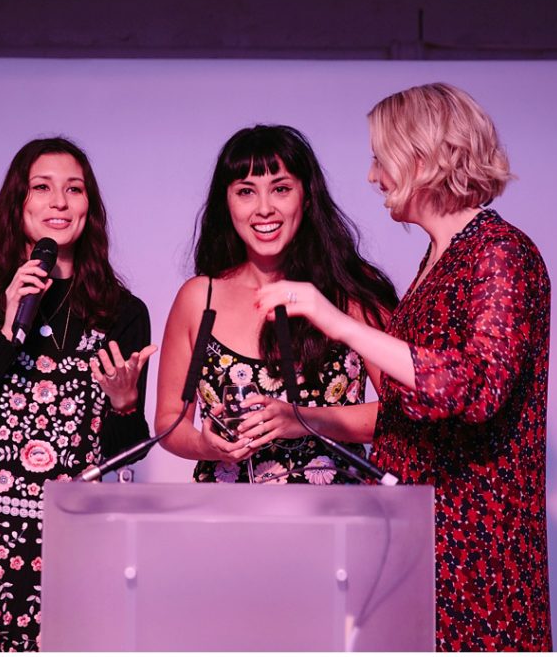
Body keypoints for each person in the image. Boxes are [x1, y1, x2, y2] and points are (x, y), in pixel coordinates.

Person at [254, 83, 552, 650]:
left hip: (476, 549)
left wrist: (338, 322)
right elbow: (407, 405)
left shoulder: (499, 252)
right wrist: (303, 418)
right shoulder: (440, 260)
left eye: (380, 157)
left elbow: (478, 386)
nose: (372, 176)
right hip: (423, 531)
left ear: (423, 157)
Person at [0, 138, 156, 651]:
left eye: (74, 189)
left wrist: (125, 405)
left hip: (71, 541)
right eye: (42, 188)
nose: (59, 203)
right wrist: (6, 331)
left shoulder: (123, 313)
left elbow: (125, 457)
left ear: (90, 207)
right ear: (17, 203)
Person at [155, 124, 398, 485]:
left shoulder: (355, 290)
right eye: (246, 192)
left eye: (281, 189)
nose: (264, 208)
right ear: (227, 203)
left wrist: (303, 419)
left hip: (335, 523)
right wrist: (208, 446)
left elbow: (402, 415)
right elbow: (169, 422)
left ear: (308, 197)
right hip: (224, 523)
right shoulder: (198, 297)